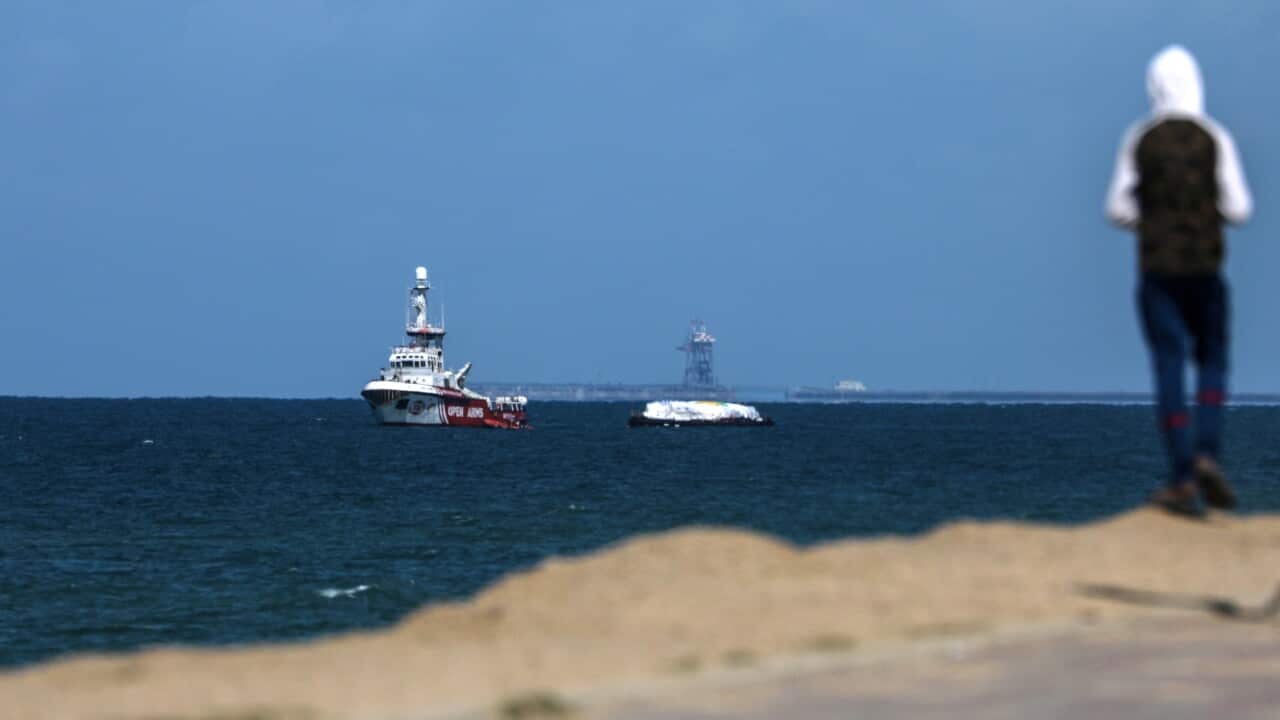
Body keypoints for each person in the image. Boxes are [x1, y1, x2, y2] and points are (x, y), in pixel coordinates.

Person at [1105, 45, 1253, 517]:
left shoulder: (1140, 138)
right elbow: (1240, 209)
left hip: (1157, 271)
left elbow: (1116, 209)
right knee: (1213, 360)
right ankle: (1207, 451)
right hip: (1206, 271)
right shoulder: (1215, 137)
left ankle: (1182, 476)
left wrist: (1147, 218)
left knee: (1168, 365)